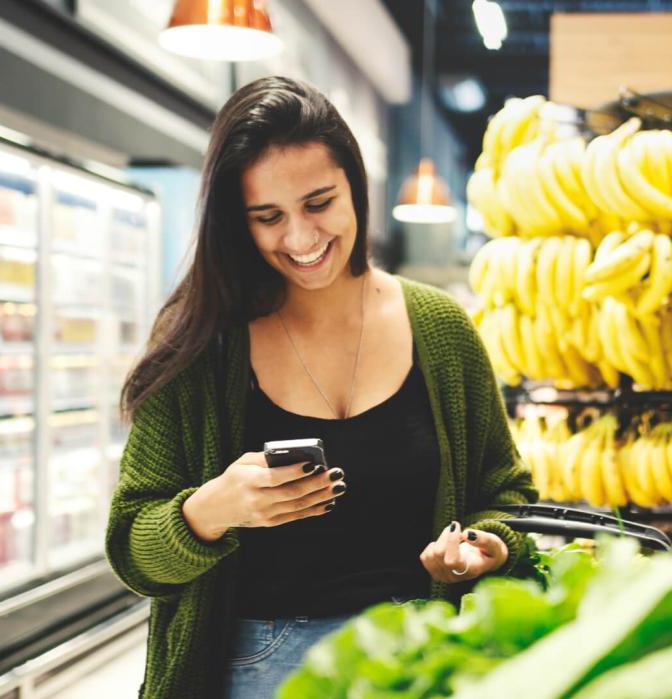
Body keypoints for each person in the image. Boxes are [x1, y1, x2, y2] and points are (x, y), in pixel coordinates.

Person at [105, 76, 537, 699]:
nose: (302, 238)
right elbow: (132, 551)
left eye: (318, 202)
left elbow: (506, 493)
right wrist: (214, 510)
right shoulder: (206, 342)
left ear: (355, 187)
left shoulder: (440, 328)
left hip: (420, 660)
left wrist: (486, 546)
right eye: (268, 217)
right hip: (256, 670)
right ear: (237, 222)